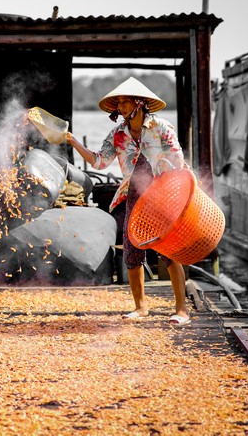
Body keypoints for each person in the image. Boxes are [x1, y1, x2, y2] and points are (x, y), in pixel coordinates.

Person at [65, 77, 191, 325]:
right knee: (132, 254)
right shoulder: (118, 134)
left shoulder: (161, 127)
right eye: (118, 102)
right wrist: (73, 142)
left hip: (161, 195)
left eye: (125, 101)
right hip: (132, 197)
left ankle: (181, 310)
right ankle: (141, 307)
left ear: (140, 102)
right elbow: (99, 161)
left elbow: (178, 160)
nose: (120, 106)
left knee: (168, 253)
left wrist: (167, 175)